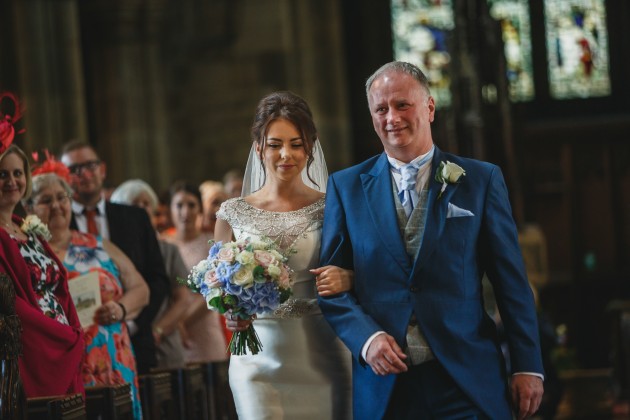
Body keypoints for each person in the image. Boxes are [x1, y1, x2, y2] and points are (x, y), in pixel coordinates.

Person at [318, 61, 545, 419]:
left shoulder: (480, 181)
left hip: (466, 378)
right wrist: (367, 340)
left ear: (430, 107)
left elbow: (511, 283)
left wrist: (527, 365)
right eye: (381, 109)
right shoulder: (346, 188)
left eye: (402, 105)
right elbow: (331, 288)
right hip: (386, 386)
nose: (391, 117)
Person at [214, 91, 353, 419]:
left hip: (324, 352)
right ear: (259, 147)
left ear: (310, 147)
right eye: (275, 144)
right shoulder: (232, 214)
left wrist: (348, 277)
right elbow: (217, 287)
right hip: (257, 361)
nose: (285, 154)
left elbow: (366, 269)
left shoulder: (334, 205)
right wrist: (229, 314)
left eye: (296, 143)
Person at [25, 166, 149, 419]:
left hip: (113, 358)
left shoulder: (98, 244)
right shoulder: (31, 256)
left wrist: (120, 308)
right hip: (65, 366)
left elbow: (141, 289)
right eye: (46, 200)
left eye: (62, 197)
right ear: (29, 208)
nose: (57, 205)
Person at [60, 140, 170, 374]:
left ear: (103, 169)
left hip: (135, 340)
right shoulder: (58, 224)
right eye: (74, 169)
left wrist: (132, 323)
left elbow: (158, 279)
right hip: (75, 350)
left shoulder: (135, 218)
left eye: (90, 165)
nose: (85, 174)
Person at [0, 93, 84, 398]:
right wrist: (60, 336)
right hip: (35, 346)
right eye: (2, 174)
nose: (12, 181)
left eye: (17, 173)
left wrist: (72, 331)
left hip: (61, 339)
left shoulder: (27, 231)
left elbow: (58, 286)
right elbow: (9, 302)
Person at [110, 179, 190, 368]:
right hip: (125, 342)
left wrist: (156, 331)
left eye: (146, 204)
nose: (141, 209)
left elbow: (182, 299)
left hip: (164, 345)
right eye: (134, 204)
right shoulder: (113, 251)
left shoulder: (168, 251)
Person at [162, 180, 227, 363]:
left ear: (200, 209)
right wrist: (173, 323)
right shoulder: (163, 244)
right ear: (170, 209)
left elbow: (217, 290)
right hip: (171, 331)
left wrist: (183, 322)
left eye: (191, 205)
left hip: (204, 325)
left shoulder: (211, 244)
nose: (185, 212)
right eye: (179, 205)